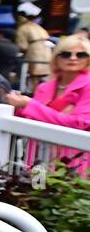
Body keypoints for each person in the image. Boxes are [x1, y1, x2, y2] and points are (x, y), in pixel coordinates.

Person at [5, 34, 90, 176]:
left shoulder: (88, 86)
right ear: (56, 57)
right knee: (34, 194)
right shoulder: (44, 87)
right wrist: (18, 107)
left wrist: (29, 104)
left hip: (74, 161)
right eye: (66, 54)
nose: (73, 58)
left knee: (62, 197)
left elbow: (80, 123)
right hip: (39, 157)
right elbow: (33, 120)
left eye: (80, 54)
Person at [15, 6, 53, 85]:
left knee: (34, 76)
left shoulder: (23, 28)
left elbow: (22, 46)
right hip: (47, 51)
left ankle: (34, 94)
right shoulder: (39, 27)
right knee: (43, 76)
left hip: (34, 52)